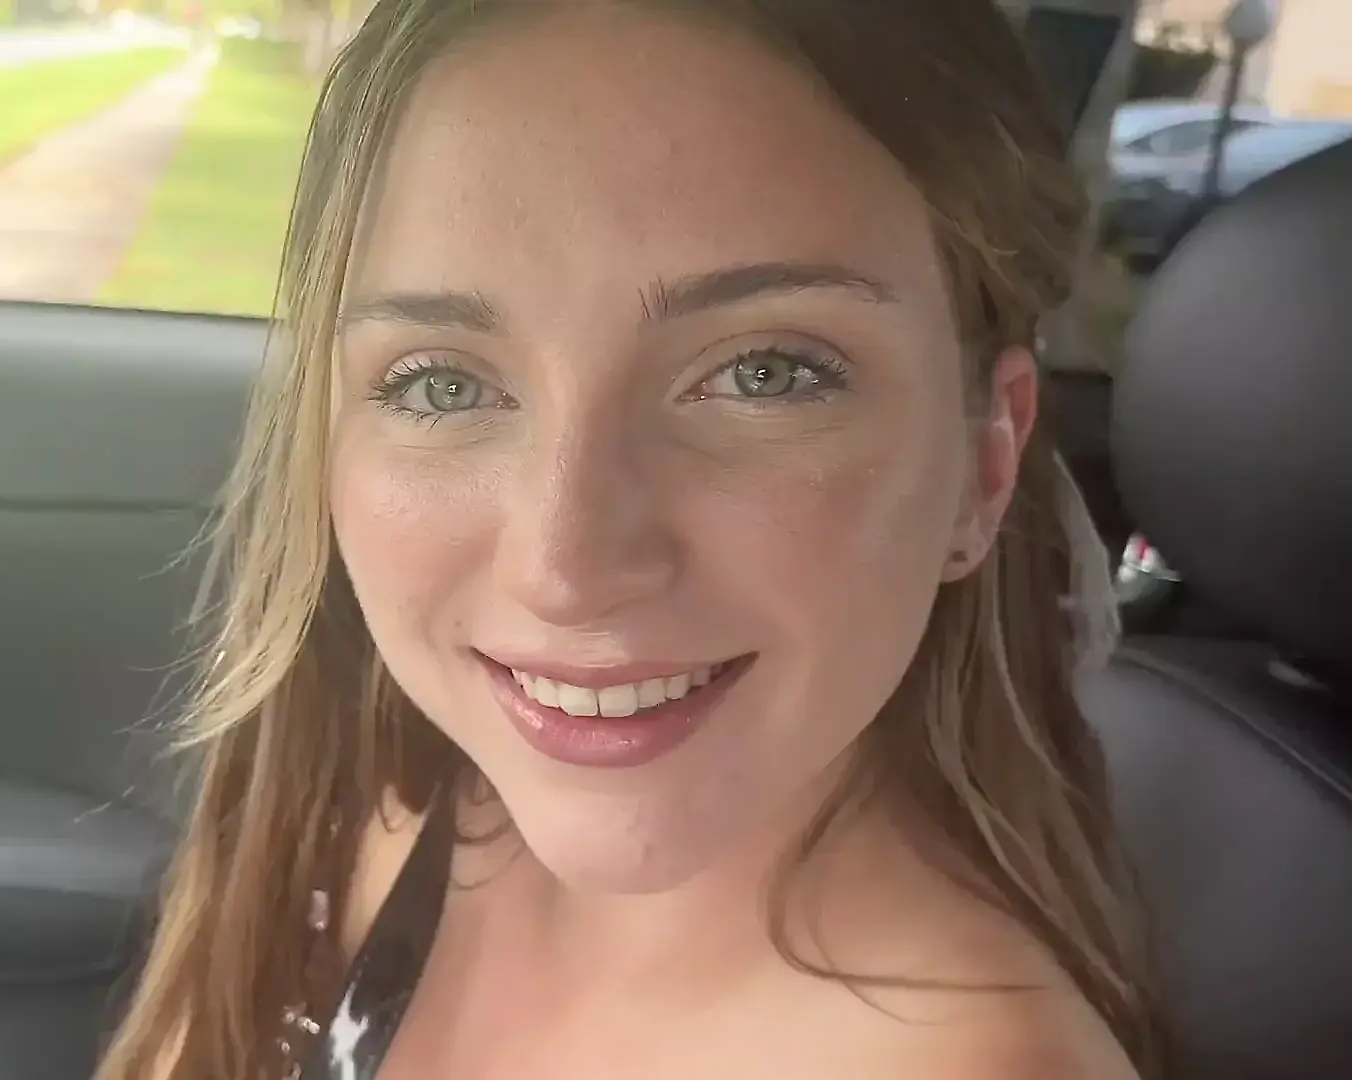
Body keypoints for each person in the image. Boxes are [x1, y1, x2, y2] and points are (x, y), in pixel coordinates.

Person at [97, 2, 1156, 1078]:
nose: (564, 570)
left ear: (983, 468)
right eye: (442, 383)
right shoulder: (397, 820)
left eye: (765, 374)